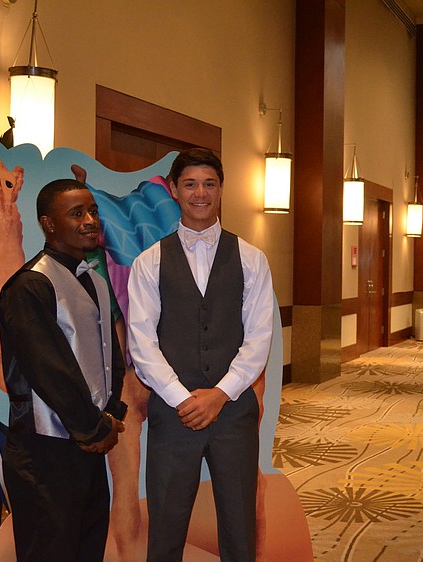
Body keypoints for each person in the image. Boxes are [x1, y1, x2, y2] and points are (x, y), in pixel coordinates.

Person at [126, 148, 274, 562]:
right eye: (190, 184)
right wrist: (182, 398)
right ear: (174, 190)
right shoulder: (149, 261)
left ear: (222, 190)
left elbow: (258, 339)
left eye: (209, 183)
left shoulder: (252, 259)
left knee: (239, 529)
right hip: (173, 415)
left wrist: (220, 393)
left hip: (234, 413)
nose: (200, 193)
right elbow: (142, 343)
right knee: (166, 532)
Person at [0, 178, 127, 562]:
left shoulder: (95, 280)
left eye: (93, 211)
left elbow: (110, 357)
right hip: (45, 452)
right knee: (50, 551)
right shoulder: (30, 285)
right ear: (48, 224)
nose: (90, 220)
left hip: (88, 445)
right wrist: (92, 427)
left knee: (87, 547)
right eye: (77, 213)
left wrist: (111, 414)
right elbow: (49, 369)